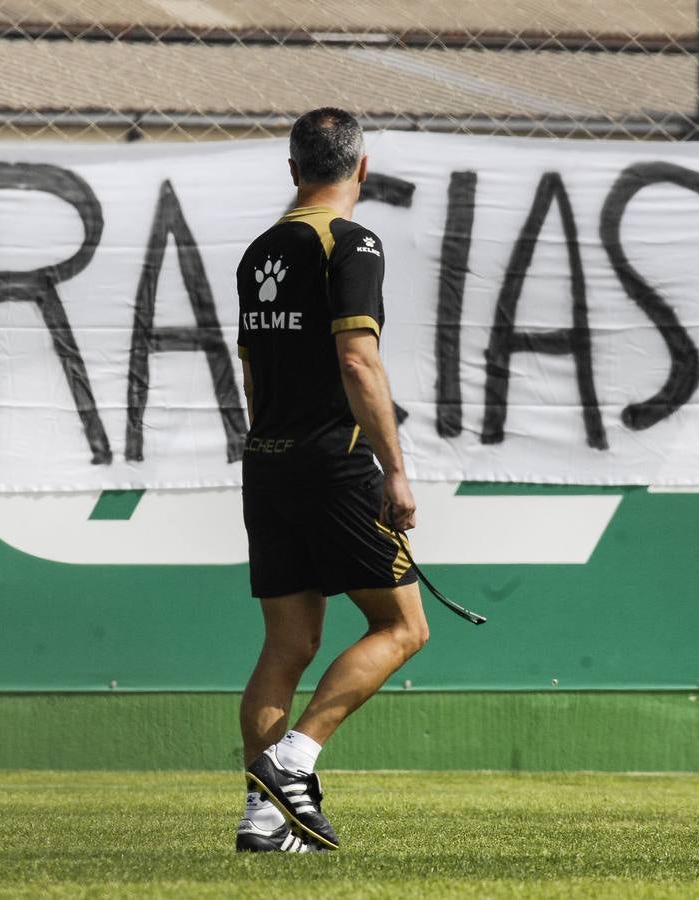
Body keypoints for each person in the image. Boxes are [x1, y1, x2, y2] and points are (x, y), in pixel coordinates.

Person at [233, 108, 429, 853]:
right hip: (333, 457)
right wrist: (396, 470)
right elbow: (357, 359)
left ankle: (261, 819)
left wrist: (274, 448)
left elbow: (253, 365)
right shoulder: (351, 242)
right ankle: (292, 763)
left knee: (287, 644)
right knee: (404, 626)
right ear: (362, 169)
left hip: (269, 457)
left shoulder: (260, 251)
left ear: (293, 169)